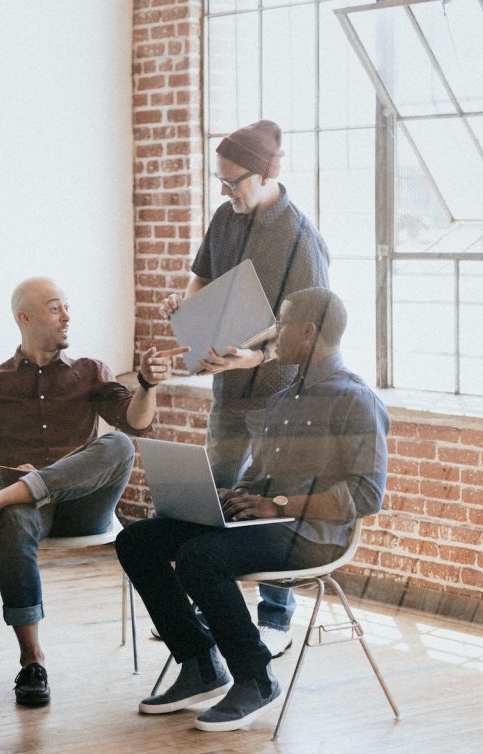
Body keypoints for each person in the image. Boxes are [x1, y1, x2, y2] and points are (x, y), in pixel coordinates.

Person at [117, 289, 387, 732]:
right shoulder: (283, 398)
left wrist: (277, 504)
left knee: (201, 557)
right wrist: (232, 495)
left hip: (313, 536)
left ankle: (256, 679)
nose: (274, 333)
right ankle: (200, 664)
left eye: (282, 324)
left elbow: (365, 495)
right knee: (138, 541)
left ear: (308, 331)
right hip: (267, 521)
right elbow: (261, 475)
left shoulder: (354, 399)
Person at [0, 276, 186, 707]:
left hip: (84, 507)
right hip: (26, 511)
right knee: (16, 514)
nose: (67, 317)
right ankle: (32, 660)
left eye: (67, 307)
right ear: (25, 317)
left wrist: (146, 385)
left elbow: (136, 423)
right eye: (55, 308)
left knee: (119, 444)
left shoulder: (89, 371)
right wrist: (0, 475)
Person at [160, 120, 331, 658]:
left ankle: (276, 618)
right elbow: (203, 277)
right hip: (228, 395)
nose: (225, 191)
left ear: (264, 175)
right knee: (210, 497)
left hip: (279, 395)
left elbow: (309, 331)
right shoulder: (225, 217)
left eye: (233, 181)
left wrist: (253, 356)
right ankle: (205, 604)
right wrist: (186, 307)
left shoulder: (303, 240)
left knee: (267, 502)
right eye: (220, 180)